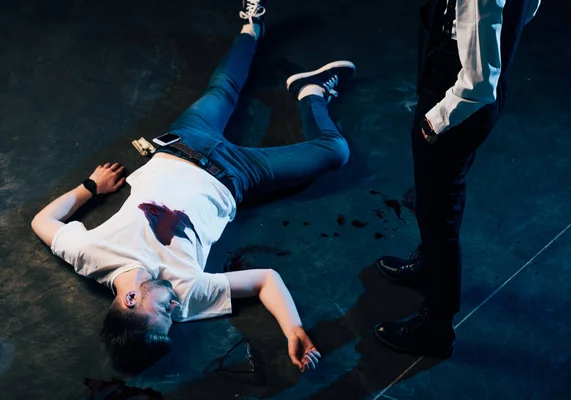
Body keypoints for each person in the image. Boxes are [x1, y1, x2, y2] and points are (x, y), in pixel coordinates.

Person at [31, 0, 356, 373]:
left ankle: (252, 27)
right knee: (336, 151)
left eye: (162, 315)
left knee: (224, 89)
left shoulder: (91, 256)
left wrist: (90, 186)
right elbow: (266, 280)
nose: (174, 312)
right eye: (172, 318)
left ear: (132, 300)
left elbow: (41, 222)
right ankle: (311, 92)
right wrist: (294, 329)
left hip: (185, 146)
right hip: (237, 176)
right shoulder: (185, 297)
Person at [374, 0, 542, 357]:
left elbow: (480, 83)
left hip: (457, 98)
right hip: (467, 88)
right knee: (440, 197)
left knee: (438, 214)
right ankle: (428, 266)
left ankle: (435, 326)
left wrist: (436, 121)